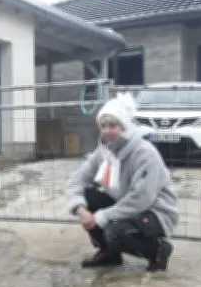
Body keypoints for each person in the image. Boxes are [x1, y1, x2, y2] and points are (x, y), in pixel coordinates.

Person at [65, 93, 179, 272]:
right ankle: (110, 253)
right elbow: (77, 179)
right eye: (103, 126)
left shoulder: (144, 153)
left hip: (155, 211)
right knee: (88, 197)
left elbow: (141, 198)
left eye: (113, 126)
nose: (107, 131)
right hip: (124, 205)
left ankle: (158, 250)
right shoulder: (105, 152)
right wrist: (80, 209)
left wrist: (102, 216)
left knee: (115, 232)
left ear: (124, 127)